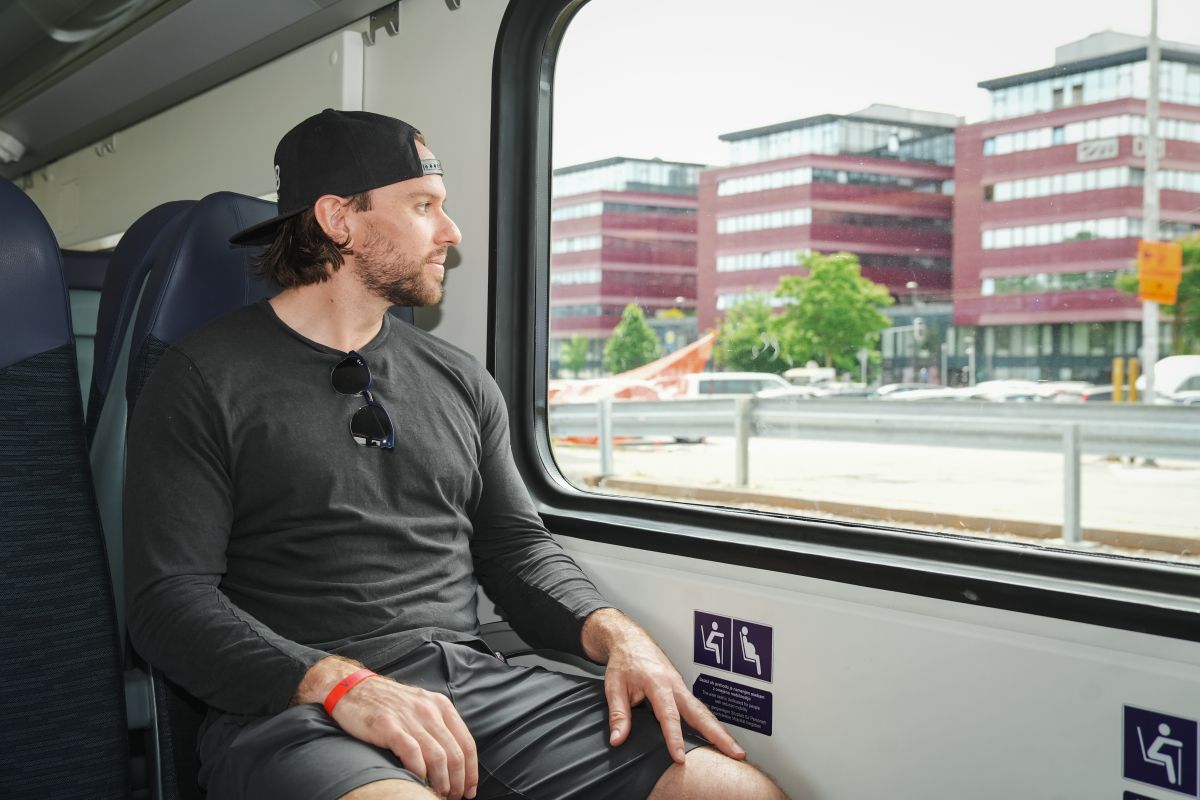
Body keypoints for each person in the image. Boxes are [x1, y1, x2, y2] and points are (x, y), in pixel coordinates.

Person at [125, 109, 788, 800]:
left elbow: (514, 546)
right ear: (338, 218)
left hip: (472, 688)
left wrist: (616, 632)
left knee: (734, 791)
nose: (452, 231)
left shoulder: (461, 379)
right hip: (299, 708)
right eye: (423, 206)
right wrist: (339, 683)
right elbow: (168, 602)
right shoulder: (202, 378)